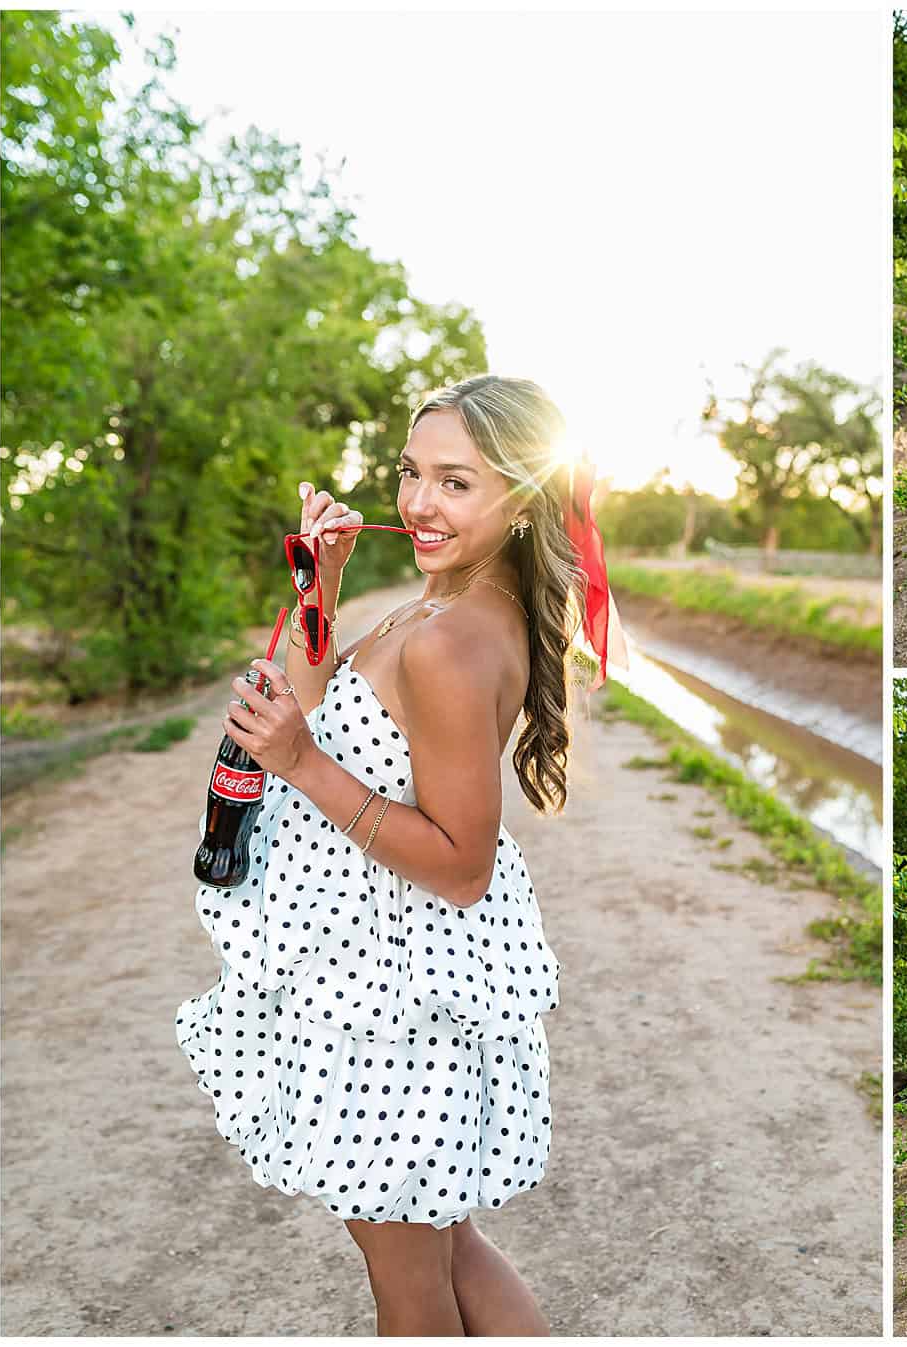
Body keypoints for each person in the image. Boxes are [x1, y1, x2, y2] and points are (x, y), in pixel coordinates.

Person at [176, 374, 623, 1334]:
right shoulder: (430, 605)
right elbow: (320, 694)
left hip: (392, 995)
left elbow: (463, 859)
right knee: (442, 1243)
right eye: (412, 473)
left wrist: (295, 760)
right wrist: (319, 589)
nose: (418, 503)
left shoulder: (454, 639)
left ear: (523, 498)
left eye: (457, 483)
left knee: (408, 1282)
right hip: (360, 968)